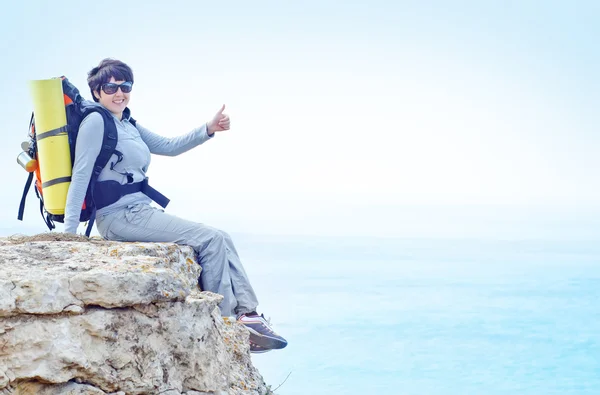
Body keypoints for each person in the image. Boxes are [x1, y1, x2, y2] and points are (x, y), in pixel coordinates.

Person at [63, 58, 287, 353]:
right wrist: (68, 234)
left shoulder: (127, 123)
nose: (119, 93)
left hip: (141, 211)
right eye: (110, 87)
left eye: (125, 86)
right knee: (211, 238)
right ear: (96, 92)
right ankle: (228, 321)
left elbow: (169, 146)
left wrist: (208, 128)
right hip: (119, 216)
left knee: (221, 237)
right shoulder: (95, 122)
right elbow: (81, 174)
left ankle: (248, 315)